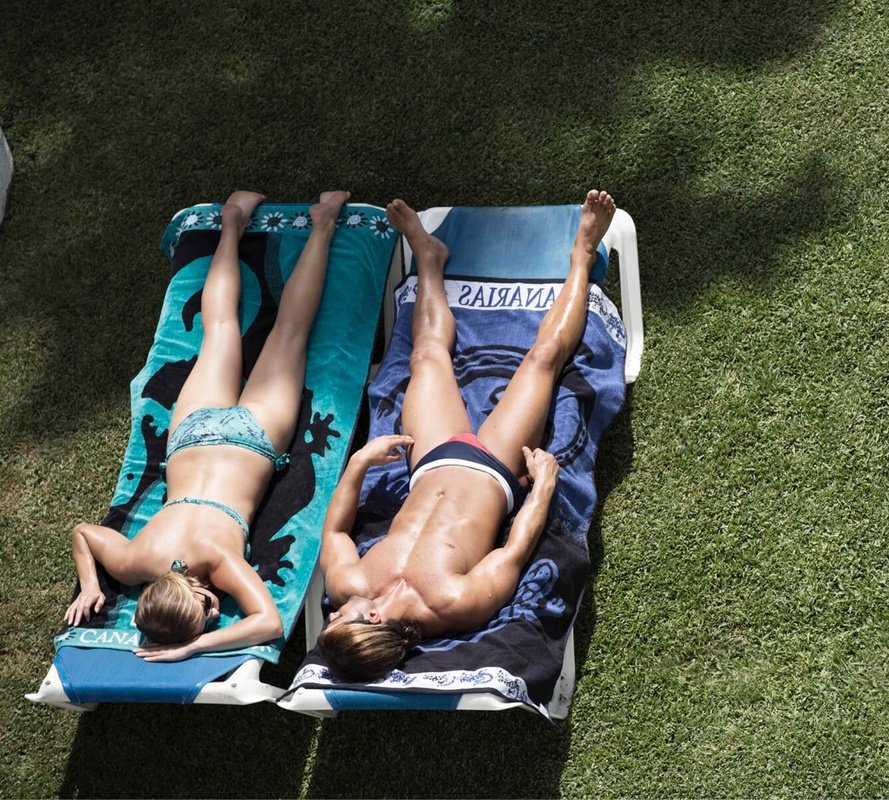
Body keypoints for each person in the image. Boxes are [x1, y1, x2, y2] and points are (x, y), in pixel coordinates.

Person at [317, 190, 616, 681]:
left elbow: (334, 530)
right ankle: (581, 255)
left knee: (425, 358)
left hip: (430, 458)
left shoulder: (349, 581)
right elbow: (514, 549)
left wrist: (358, 464)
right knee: (543, 361)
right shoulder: (456, 605)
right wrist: (541, 485)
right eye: (337, 621)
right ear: (372, 620)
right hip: (496, 467)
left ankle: (429, 259)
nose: (331, 613)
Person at [63, 189, 350, 662]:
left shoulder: (217, 563)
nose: (215, 616)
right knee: (219, 328)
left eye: (206, 616)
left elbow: (267, 622)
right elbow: (83, 533)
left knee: (290, 331)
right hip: (193, 436)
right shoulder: (136, 563)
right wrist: (90, 585)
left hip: (251, 441)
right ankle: (233, 221)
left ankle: (324, 221)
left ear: (201, 599)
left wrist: (195, 647)